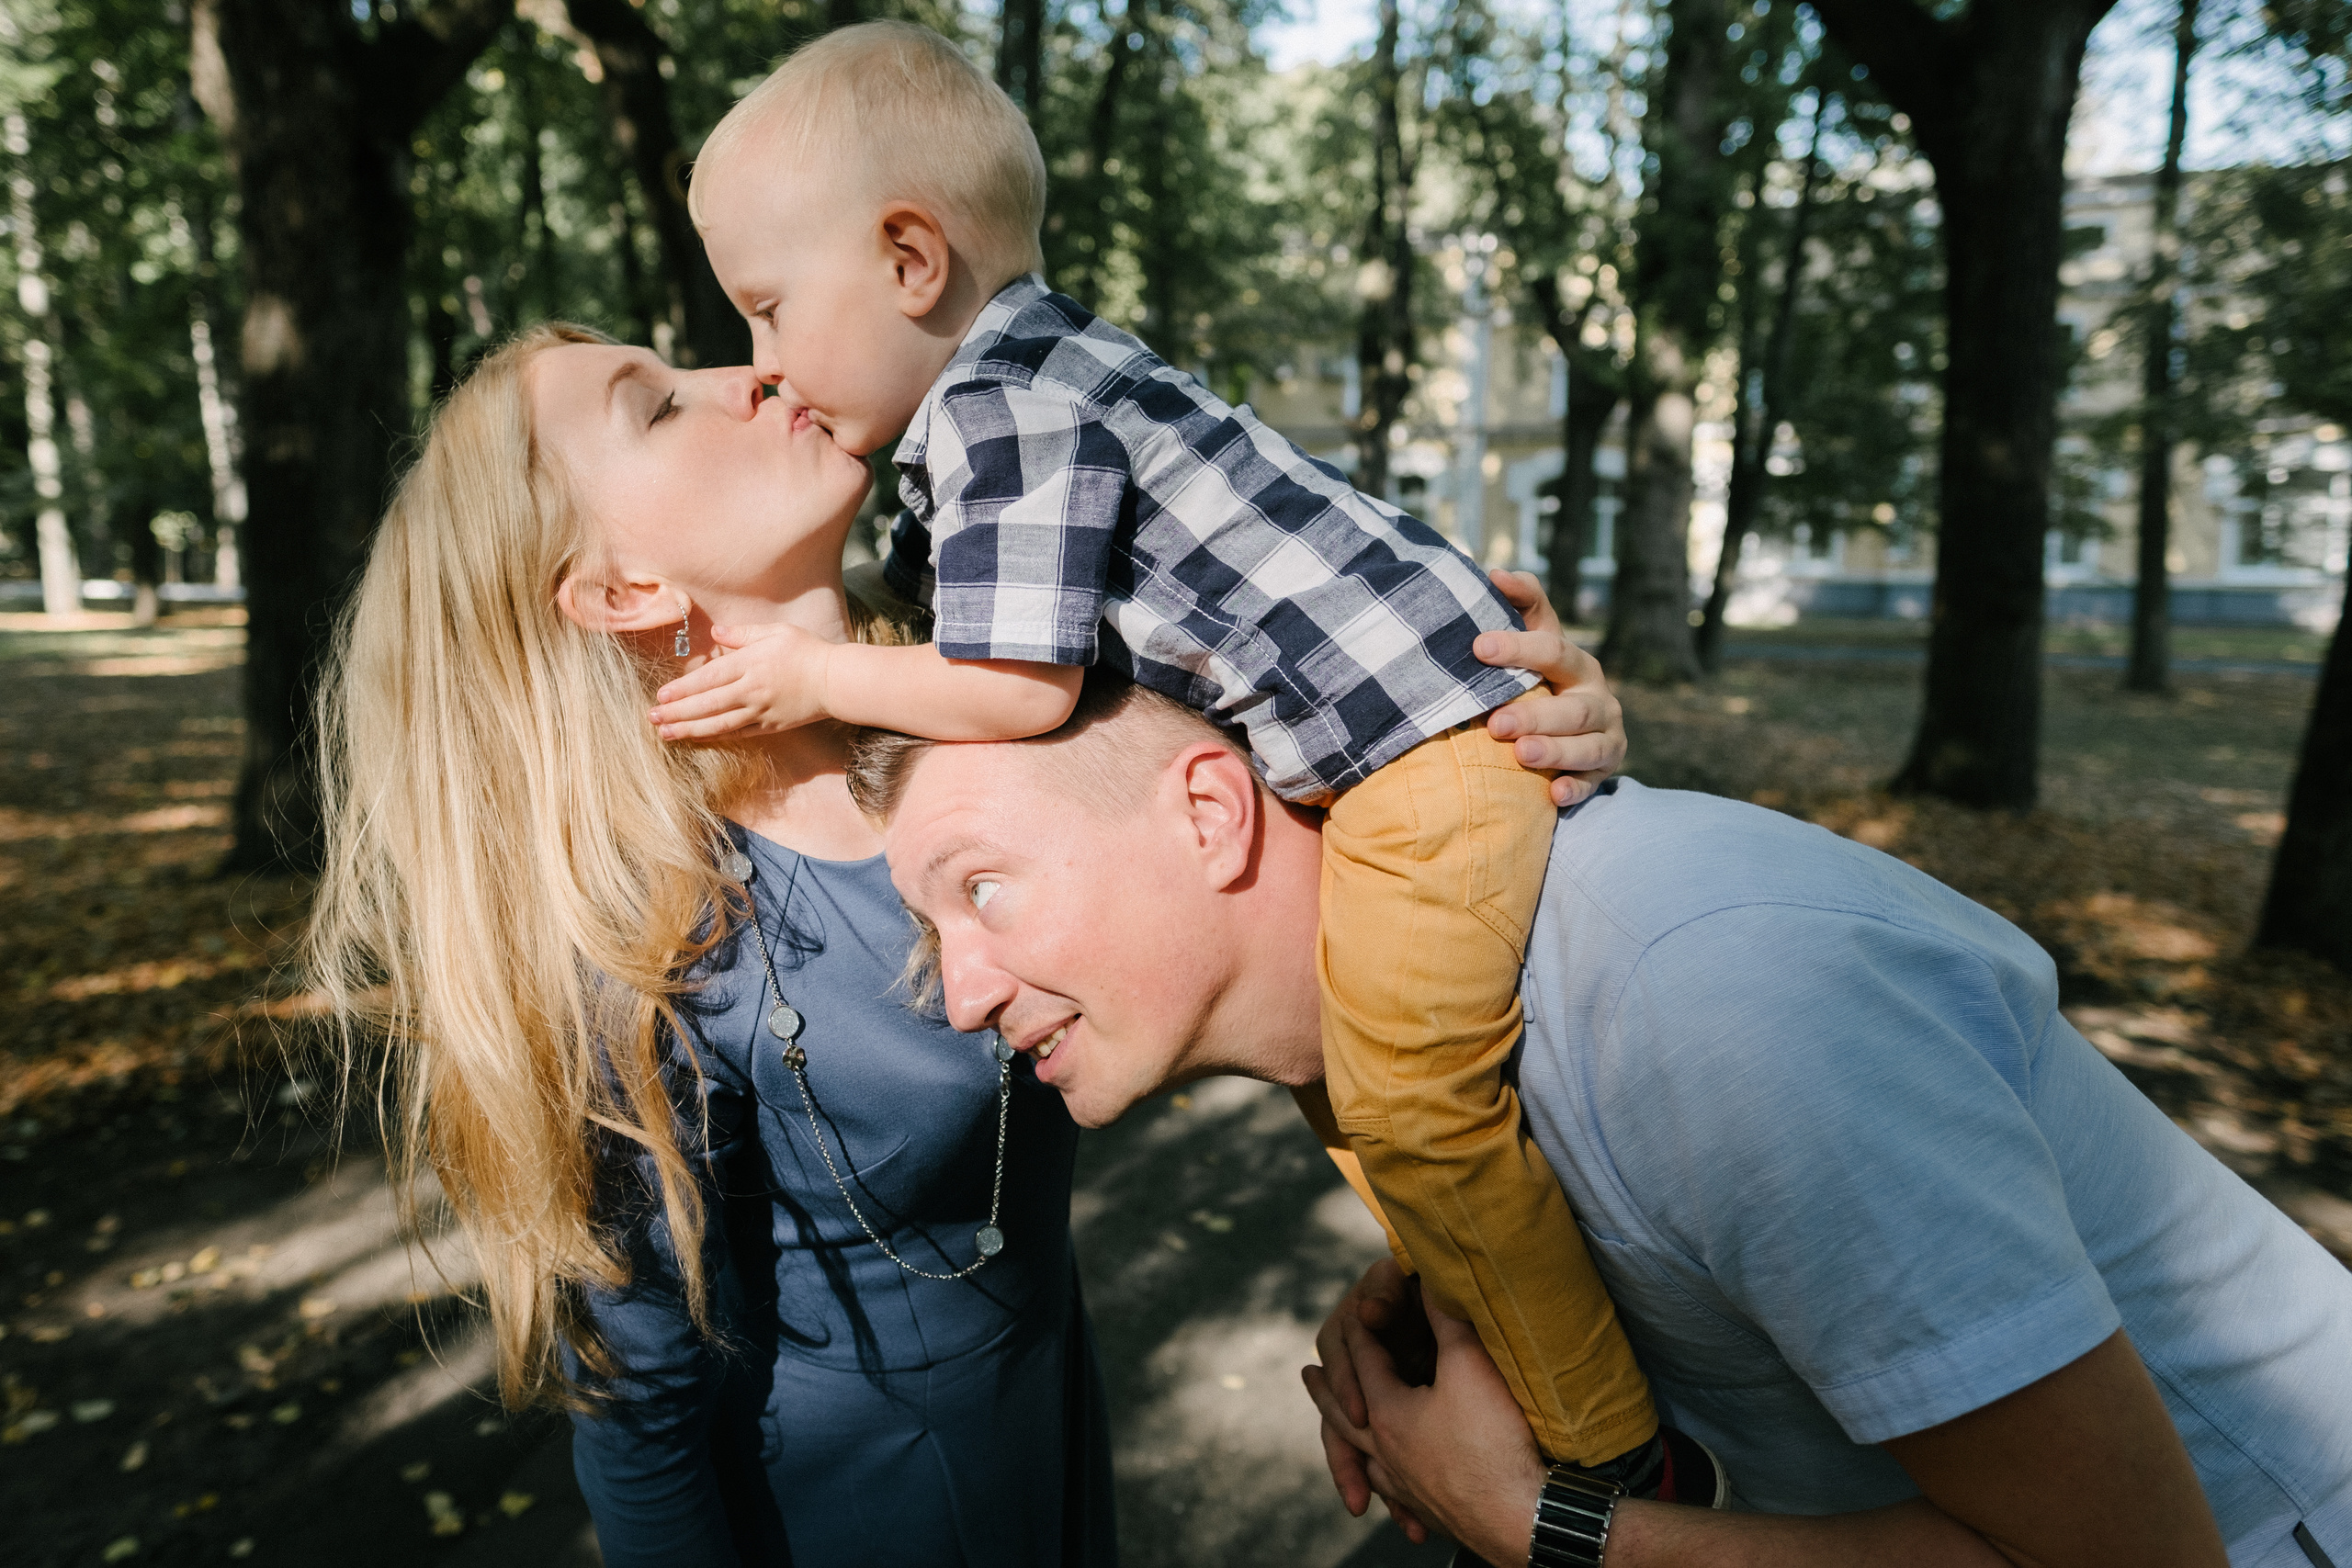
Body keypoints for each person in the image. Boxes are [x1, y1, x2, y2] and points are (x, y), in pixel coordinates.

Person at [301, 324, 1625, 1565]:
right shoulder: (650, 943)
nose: (747, 369)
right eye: (656, 405)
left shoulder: (1024, 695)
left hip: (1054, 1416)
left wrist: (1524, 718)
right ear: (617, 588)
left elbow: (1343, 787)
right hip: (855, 1509)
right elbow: (640, 1409)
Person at [647, 17, 1704, 1497]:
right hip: (1397, 742)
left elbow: (1017, 681)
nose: (757, 364)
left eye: (764, 311)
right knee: (1364, 1099)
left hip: (1420, 751)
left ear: (909, 261)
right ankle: (1527, 1375)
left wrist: (814, 667)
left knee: (1402, 1096)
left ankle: (1618, 1456)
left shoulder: (1002, 406)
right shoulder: (1007, 411)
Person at [849, 672, 2352, 1568]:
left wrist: (1548, 1533)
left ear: (1209, 809)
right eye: (927, 937)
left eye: (981, 889)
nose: (961, 992)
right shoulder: (1391, 1069)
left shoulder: (1706, 996)